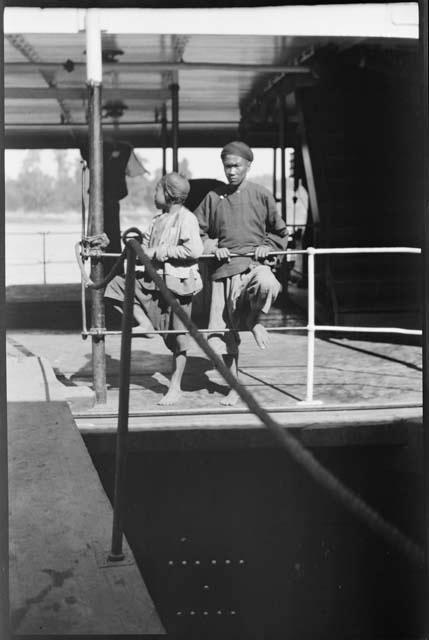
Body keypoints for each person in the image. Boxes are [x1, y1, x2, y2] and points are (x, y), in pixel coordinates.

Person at [194, 141, 288, 405]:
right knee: (223, 338)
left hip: (255, 266)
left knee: (269, 284)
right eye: (227, 167)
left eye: (236, 166)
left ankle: (256, 319)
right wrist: (213, 248)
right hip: (224, 271)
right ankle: (235, 387)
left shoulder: (261, 194)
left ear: (248, 165)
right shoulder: (213, 197)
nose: (231, 171)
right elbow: (198, 233)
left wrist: (265, 247)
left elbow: (281, 233)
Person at [104, 172, 204, 405]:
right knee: (116, 286)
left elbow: (194, 251)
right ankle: (145, 323)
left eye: (157, 190)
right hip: (151, 281)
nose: (153, 194)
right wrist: (136, 248)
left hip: (177, 286)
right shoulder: (156, 220)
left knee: (178, 340)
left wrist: (160, 252)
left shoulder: (187, 219)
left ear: (169, 194)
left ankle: (175, 387)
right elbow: (145, 248)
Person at [80, 138, 148, 273]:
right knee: (109, 238)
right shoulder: (119, 153)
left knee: (111, 238)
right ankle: (111, 271)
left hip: (109, 201)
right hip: (105, 201)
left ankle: (111, 271)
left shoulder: (119, 153)